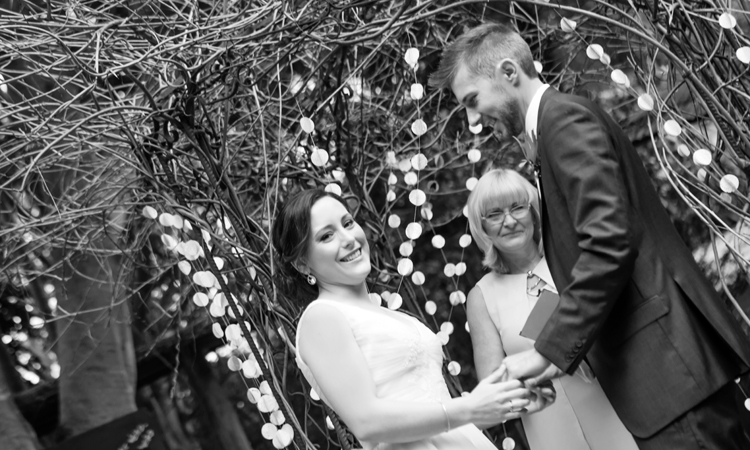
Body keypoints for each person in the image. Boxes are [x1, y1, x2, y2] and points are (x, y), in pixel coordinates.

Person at [429, 22, 750, 450]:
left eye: (472, 100)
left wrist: (547, 352)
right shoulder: (553, 129)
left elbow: (609, 244)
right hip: (666, 381)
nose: (471, 119)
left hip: (670, 374)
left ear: (509, 72)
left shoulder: (563, 122)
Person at [271, 189, 550, 450]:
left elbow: (436, 411)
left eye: (347, 223)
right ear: (302, 263)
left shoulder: (386, 313)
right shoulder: (321, 317)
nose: (348, 239)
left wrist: (508, 398)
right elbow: (367, 422)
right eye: (326, 236)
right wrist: (469, 408)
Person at [466, 168, 637, 450]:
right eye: (494, 214)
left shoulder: (572, 259)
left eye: (517, 207)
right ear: (481, 227)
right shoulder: (481, 296)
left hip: (614, 403)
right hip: (550, 426)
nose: (509, 221)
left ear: (533, 212)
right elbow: (494, 389)